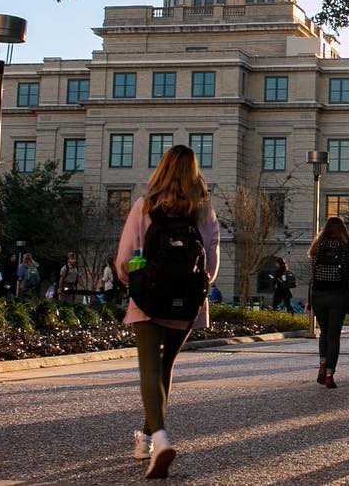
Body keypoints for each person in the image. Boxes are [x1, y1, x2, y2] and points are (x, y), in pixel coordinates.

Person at [116, 144, 220, 479]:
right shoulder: (203, 211)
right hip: (186, 301)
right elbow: (211, 262)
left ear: (161, 169)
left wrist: (135, 279)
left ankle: (158, 439)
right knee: (165, 366)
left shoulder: (144, 206)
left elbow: (126, 257)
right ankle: (146, 437)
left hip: (148, 298)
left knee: (148, 368)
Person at [309, 217, 349, 388]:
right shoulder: (345, 248)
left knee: (324, 332)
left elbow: (313, 271)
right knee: (334, 336)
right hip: (338, 294)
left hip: (319, 295)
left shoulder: (317, 247)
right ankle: (330, 374)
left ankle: (322, 363)